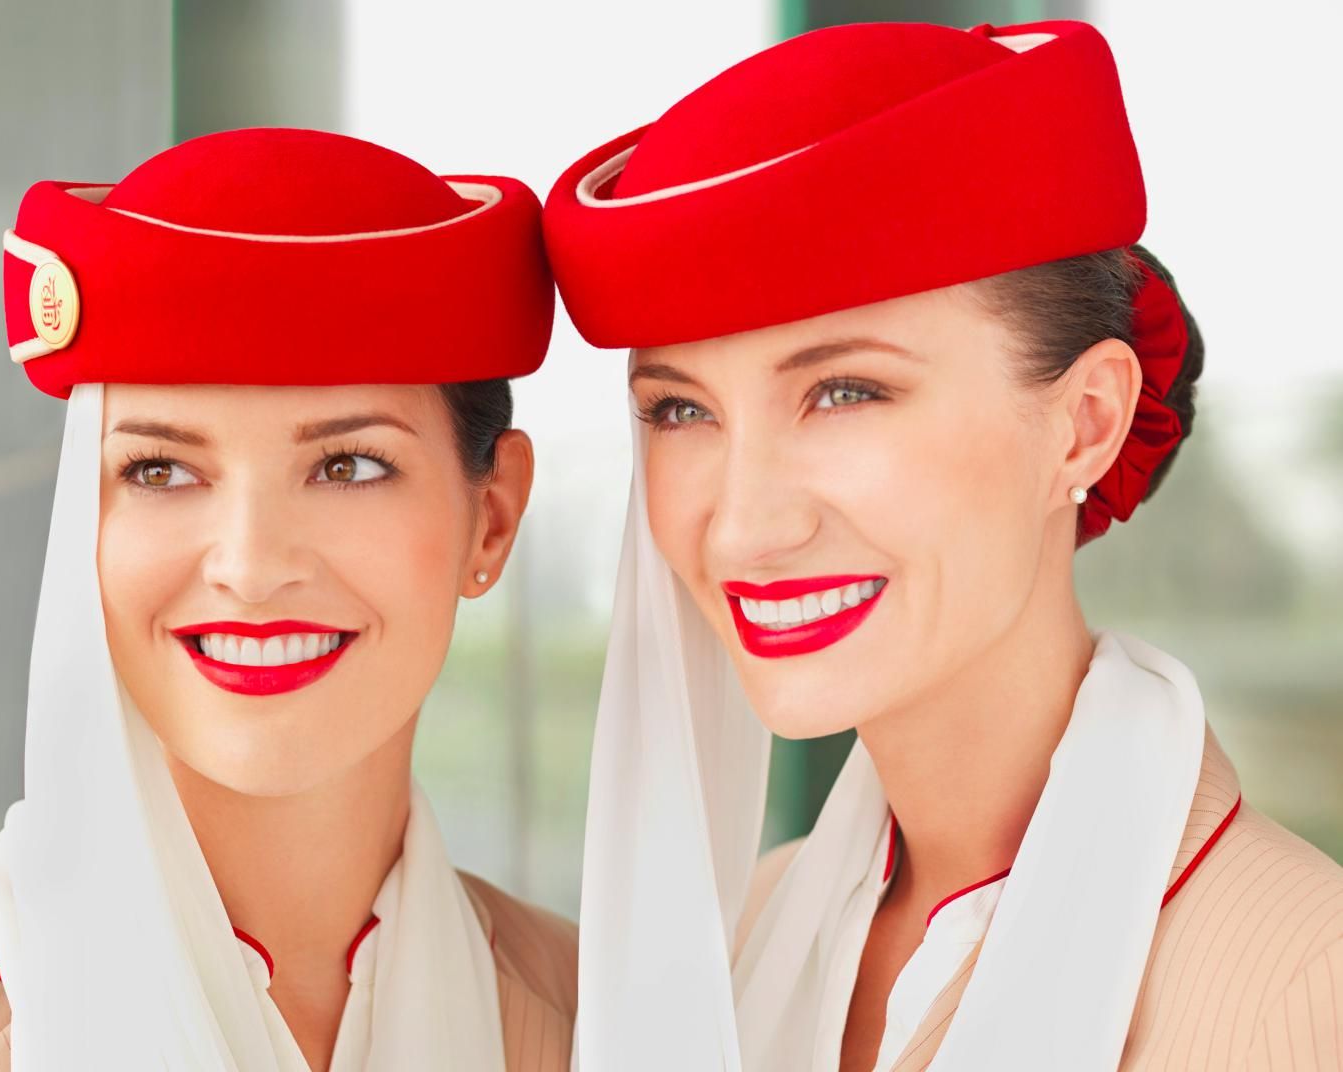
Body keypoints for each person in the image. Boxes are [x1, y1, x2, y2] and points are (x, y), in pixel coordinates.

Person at [543, 20, 1343, 1071]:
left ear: (1084, 422)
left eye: (843, 391)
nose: (741, 525)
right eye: (680, 410)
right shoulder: (755, 928)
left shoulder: (1303, 983)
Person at [0, 127, 574, 1072]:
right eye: (161, 469)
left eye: (348, 465)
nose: (251, 567)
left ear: (493, 518)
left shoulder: (610, 1015)